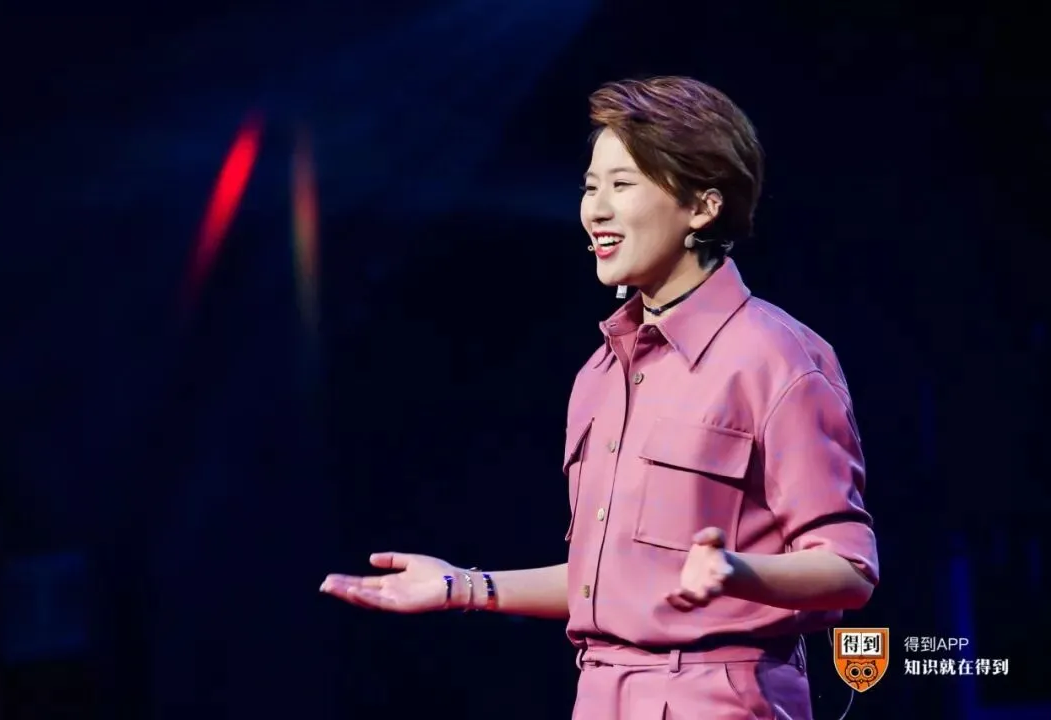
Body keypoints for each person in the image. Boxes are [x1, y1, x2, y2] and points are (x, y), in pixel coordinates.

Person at [320, 76, 879, 719]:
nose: (596, 210)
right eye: (591, 187)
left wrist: (736, 572)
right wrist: (461, 586)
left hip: (720, 697)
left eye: (622, 185)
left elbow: (849, 571)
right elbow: (605, 580)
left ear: (703, 207)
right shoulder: (599, 374)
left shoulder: (776, 357)